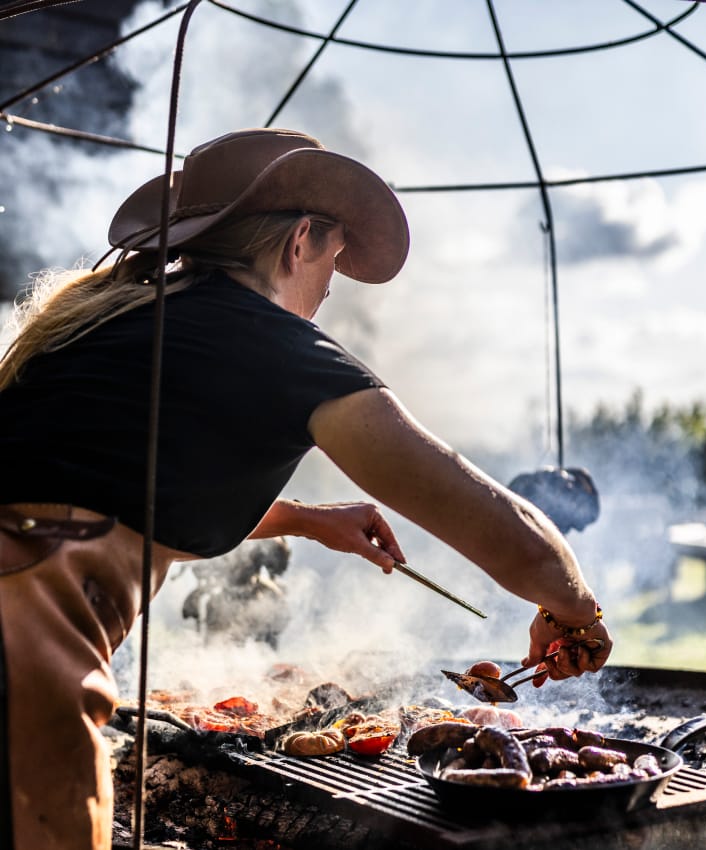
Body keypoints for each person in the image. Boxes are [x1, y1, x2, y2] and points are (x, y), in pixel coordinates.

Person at [0, 128, 612, 850]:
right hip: (24, 648)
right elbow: (479, 511)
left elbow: (105, 489)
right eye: (335, 255)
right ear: (300, 242)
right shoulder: (280, 350)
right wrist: (574, 605)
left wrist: (301, 519)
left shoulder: (119, 320)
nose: (331, 283)